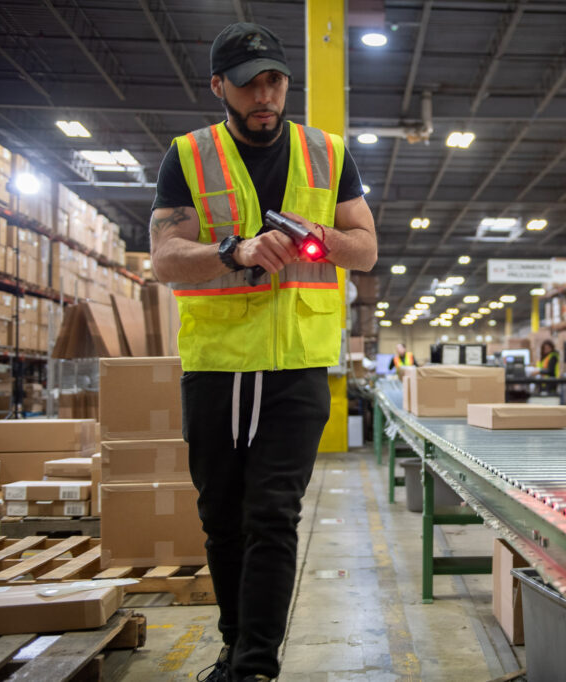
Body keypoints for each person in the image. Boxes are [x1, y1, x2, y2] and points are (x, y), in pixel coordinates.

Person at [149, 21, 377, 682]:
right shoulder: (189, 156)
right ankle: (233, 644)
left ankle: (254, 667)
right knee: (221, 519)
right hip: (218, 365)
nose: (265, 95)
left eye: (275, 80)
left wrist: (326, 238)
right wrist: (234, 250)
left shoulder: (328, 153)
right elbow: (165, 258)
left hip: (297, 367)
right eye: (249, 84)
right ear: (220, 86)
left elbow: (366, 249)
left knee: (272, 514)